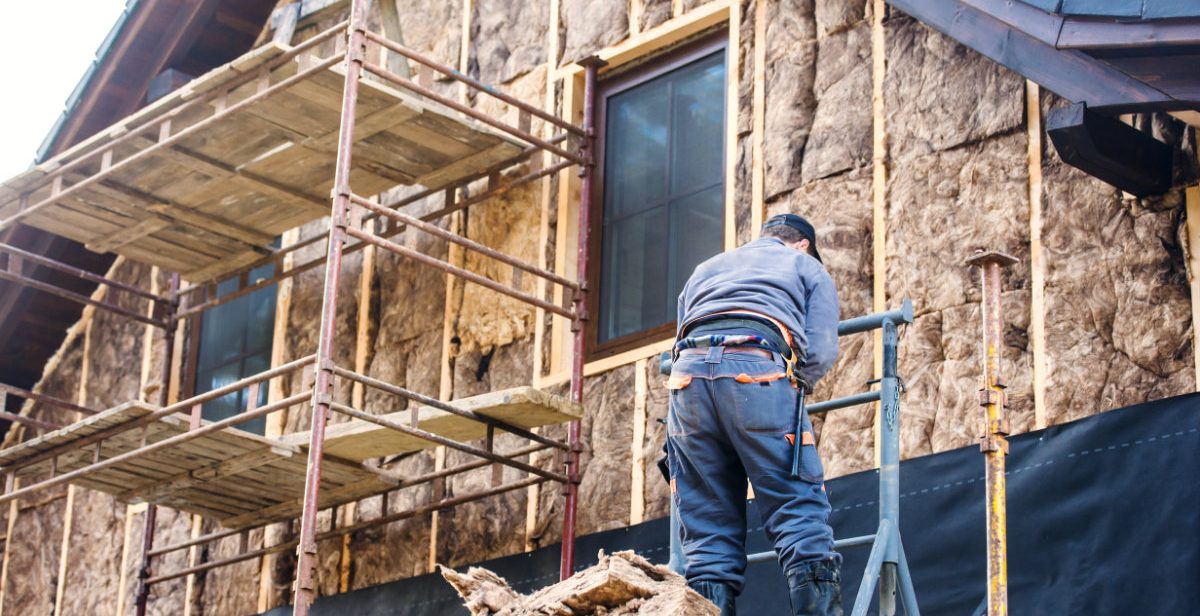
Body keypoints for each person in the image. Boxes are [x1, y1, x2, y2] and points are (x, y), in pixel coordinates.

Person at [666, 213, 841, 615]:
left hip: (686, 383)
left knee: (707, 524)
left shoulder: (705, 269)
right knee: (798, 507)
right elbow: (820, 349)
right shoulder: (804, 265)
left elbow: (681, 336)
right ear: (802, 245)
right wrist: (792, 385)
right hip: (757, 369)